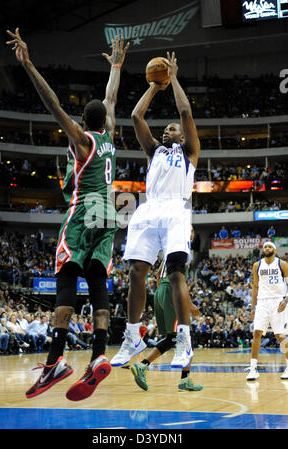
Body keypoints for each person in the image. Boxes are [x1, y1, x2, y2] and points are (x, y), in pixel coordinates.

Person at [6, 28, 130, 400]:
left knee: (65, 280)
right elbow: (110, 97)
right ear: (104, 120)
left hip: (85, 208)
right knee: (97, 285)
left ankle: (55, 360)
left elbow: (53, 105)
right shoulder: (108, 135)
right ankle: (97, 356)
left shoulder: (84, 140)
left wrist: (28, 65)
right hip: (108, 213)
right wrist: (117, 66)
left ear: (82, 122)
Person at [110, 52, 200, 369]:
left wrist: (172, 77)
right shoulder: (154, 152)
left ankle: (184, 342)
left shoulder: (189, 152)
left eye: (173, 128)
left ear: (182, 135)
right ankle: (133, 335)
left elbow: (186, 110)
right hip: (149, 210)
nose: (167, 130)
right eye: (166, 128)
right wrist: (153, 86)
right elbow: (136, 117)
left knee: (175, 273)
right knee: (136, 272)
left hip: (176, 208)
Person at [130, 227, 203, 392]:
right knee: (184, 336)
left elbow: (157, 274)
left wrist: (161, 292)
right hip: (171, 290)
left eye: (193, 232)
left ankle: (143, 366)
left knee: (173, 338)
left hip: (161, 291)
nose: (191, 234)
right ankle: (184, 380)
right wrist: (189, 303)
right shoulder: (183, 250)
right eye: (189, 231)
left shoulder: (172, 249)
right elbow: (179, 281)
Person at [246, 241, 288, 380]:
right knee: (257, 333)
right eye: (265, 247)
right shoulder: (257, 265)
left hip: (278, 301)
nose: (267, 248)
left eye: (269, 246)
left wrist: (286, 300)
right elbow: (255, 287)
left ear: (274, 250)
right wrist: (253, 306)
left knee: (279, 335)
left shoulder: (282, 264)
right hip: (262, 302)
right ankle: (253, 369)